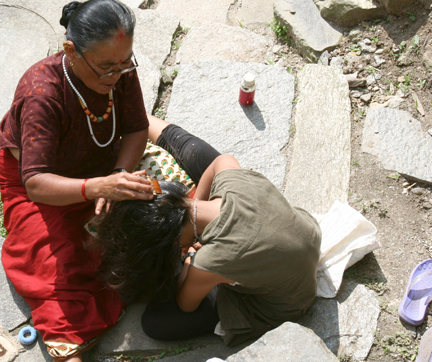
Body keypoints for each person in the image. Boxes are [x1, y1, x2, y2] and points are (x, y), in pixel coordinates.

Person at [0, 1, 154, 360]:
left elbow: (135, 129)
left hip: (101, 167)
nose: (117, 74)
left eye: (124, 62)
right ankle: (71, 343)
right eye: (106, 67)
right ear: (71, 50)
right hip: (38, 184)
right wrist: (95, 188)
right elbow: (35, 182)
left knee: (156, 214)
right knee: (56, 264)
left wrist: (117, 176)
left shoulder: (119, 68)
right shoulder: (41, 92)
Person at [94, 116, 322, 346]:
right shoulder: (233, 182)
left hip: (288, 301)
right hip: (307, 233)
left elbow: (186, 305)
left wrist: (190, 258)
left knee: (155, 322)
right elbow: (221, 160)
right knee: (197, 155)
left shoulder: (207, 264)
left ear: (172, 241)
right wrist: (196, 204)